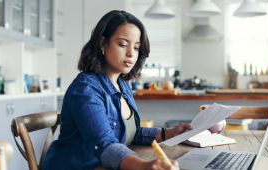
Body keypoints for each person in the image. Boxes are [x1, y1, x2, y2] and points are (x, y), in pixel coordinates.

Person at [42, 10, 192, 170]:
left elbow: (132, 132)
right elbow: (104, 143)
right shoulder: (85, 89)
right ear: (103, 44)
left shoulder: (123, 85)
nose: (130, 54)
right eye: (123, 44)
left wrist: (169, 134)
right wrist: (144, 166)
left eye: (136, 47)